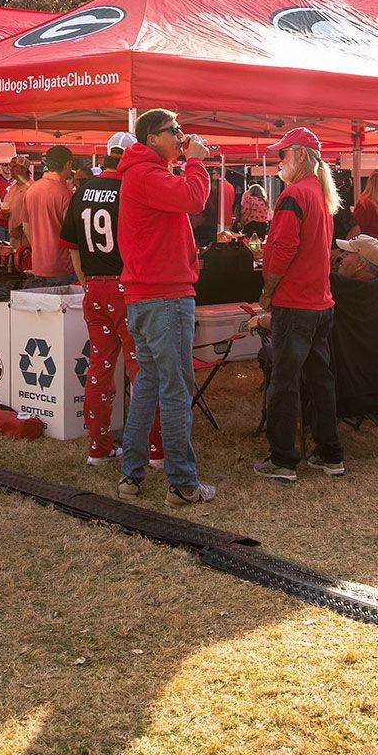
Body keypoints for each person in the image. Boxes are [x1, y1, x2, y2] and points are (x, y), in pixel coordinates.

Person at [114, 108, 213, 508]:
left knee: (149, 387)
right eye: (174, 131)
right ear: (152, 138)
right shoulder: (146, 174)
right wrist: (197, 162)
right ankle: (183, 485)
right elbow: (193, 198)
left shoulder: (143, 172)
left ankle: (131, 478)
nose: (181, 135)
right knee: (172, 390)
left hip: (146, 295)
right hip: (164, 296)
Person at [59, 131, 164, 469]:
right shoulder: (131, 188)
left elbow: (72, 245)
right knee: (143, 370)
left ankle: (98, 447)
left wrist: (86, 281)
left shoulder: (83, 190)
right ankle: (156, 450)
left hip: (95, 290)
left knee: (99, 371)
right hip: (129, 289)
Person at [255, 126, 344, 485]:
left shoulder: (294, 194)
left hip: (295, 305)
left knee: (284, 382)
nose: (279, 162)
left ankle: (284, 460)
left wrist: (268, 291)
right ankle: (329, 453)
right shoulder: (320, 195)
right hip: (320, 303)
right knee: (320, 381)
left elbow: (285, 248)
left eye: (283, 155)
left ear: (301, 156)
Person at [22, 146, 75, 281]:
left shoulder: (32, 190)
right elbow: (72, 234)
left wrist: (38, 247)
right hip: (62, 266)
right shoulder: (65, 194)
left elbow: (25, 226)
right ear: (68, 164)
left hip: (39, 264)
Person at [2, 157, 32, 252]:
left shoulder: (32, 188)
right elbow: (7, 206)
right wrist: (3, 214)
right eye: (11, 166)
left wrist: (20, 228)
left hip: (27, 237)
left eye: (14, 166)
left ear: (24, 168)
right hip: (13, 237)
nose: (11, 169)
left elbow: (34, 214)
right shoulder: (12, 188)